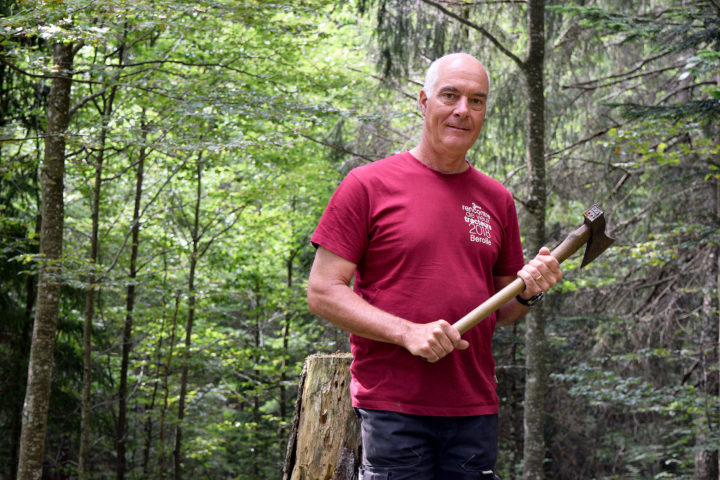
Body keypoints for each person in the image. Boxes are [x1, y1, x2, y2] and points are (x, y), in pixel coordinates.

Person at [307, 52, 562, 480]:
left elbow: (504, 313)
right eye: (451, 96)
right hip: (395, 408)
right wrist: (407, 332)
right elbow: (322, 291)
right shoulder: (368, 185)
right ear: (424, 101)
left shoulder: (497, 199)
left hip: (474, 408)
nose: (463, 110)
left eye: (476, 101)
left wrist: (530, 290)